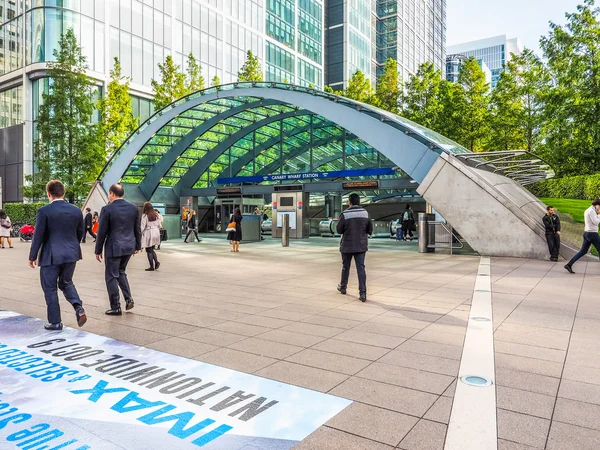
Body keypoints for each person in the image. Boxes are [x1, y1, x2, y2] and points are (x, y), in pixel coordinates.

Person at [28, 180, 87, 331]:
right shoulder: (76, 210)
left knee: (50, 288)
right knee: (66, 282)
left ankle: (55, 322)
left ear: (49, 194)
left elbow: (38, 235)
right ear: (63, 192)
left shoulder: (44, 211)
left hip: (51, 255)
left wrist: (32, 255)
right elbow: (80, 232)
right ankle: (78, 307)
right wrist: (73, 246)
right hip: (71, 253)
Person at [95, 184, 142, 315]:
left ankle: (115, 307)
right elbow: (137, 229)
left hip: (114, 247)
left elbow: (102, 232)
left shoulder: (107, 209)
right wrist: (138, 246)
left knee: (111, 276)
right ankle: (129, 298)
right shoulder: (133, 208)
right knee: (121, 272)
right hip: (129, 246)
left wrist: (98, 250)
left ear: (112, 194)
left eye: (109, 194)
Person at [336, 193, 373, 302]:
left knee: (345, 266)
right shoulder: (365, 213)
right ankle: (363, 293)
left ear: (350, 202)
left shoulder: (345, 214)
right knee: (360, 268)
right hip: (361, 246)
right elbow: (370, 229)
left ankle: (343, 287)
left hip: (347, 245)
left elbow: (339, 230)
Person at [565, 199, 600, 274]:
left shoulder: (588, 210)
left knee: (583, 251)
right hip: (592, 234)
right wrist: (599, 214)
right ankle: (569, 264)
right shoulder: (591, 211)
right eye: (599, 206)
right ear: (596, 205)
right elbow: (596, 222)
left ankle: (569, 264)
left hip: (587, 233)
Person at [141, 202, 161, 271]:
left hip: (149, 233)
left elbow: (142, 227)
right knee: (152, 249)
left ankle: (152, 266)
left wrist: (139, 233)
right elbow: (159, 224)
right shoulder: (156, 215)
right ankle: (156, 262)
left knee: (148, 250)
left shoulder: (145, 216)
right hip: (156, 232)